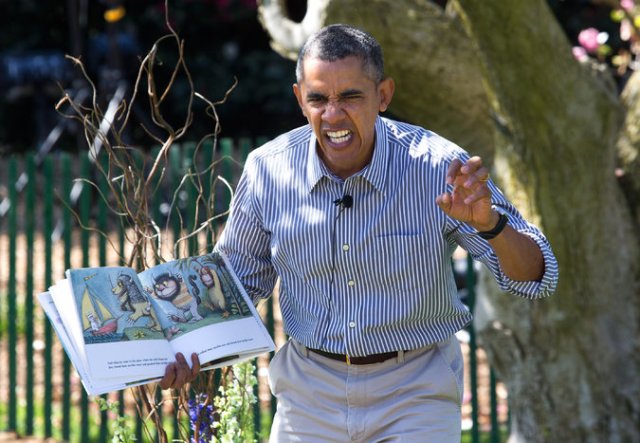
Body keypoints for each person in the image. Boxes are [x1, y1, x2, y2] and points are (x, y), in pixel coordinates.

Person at [160, 24, 558, 442]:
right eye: (318, 98)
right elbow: (234, 286)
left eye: (350, 96)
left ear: (382, 95)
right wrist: (176, 347)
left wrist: (491, 225)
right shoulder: (268, 171)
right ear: (300, 100)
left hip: (415, 390)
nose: (333, 114)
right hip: (307, 392)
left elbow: (536, 277)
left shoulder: (439, 167)